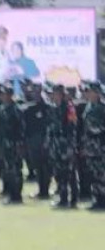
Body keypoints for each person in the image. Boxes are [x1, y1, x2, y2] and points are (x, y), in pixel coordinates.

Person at [48, 85, 78, 209]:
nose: (53, 96)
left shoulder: (69, 108)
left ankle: (73, 199)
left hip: (67, 145)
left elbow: (73, 126)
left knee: (70, 173)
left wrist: (72, 145)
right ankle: (63, 197)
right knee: (59, 173)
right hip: (56, 145)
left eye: (55, 93)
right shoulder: (54, 109)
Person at [21, 80, 52, 199]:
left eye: (37, 90)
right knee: (37, 166)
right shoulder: (28, 109)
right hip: (32, 140)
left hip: (45, 139)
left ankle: (46, 190)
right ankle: (41, 190)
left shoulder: (48, 107)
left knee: (47, 166)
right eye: (33, 91)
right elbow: (25, 126)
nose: (35, 93)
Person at [0, 83, 25, 204]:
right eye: (3, 94)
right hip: (5, 142)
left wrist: (20, 144)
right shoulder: (2, 108)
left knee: (16, 169)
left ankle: (17, 195)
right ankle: (10, 192)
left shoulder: (16, 109)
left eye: (6, 94)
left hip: (15, 143)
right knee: (7, 169)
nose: (4, 96)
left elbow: (22, 128)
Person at [80, 81, 105, 211]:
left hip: (100, 147)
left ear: (97, 93)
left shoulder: (101, 108)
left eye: (90, 91)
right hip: (91, 146)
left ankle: (102, 200)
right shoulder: (88, 107)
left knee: (101, 174)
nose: (87, 93)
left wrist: (95, 129)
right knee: (93, 174)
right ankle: (97, 199)